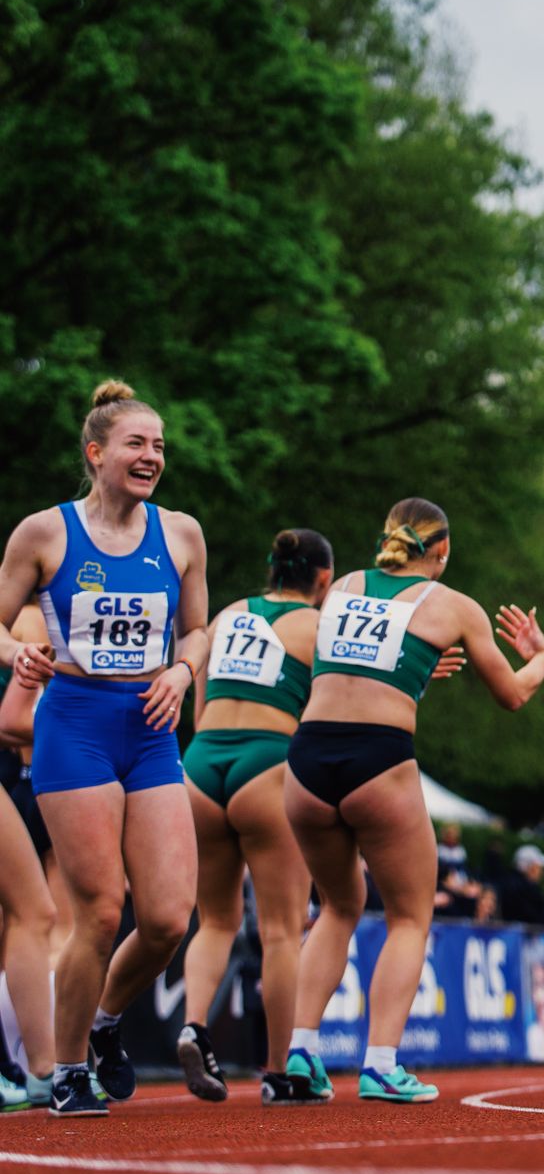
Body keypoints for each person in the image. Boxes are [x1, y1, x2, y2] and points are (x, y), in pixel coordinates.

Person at [176, 530, 464, 1105]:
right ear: (325, 580)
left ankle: (193, 1025)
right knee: (282, 928)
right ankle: (283, 1068)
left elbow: (202, 704)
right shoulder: (319, 624)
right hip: (266, 763)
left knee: (214, 920)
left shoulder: (229, 614)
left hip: (202, 763)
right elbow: (343, 697)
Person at [285, 497, 544, 1104]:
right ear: (443, 551)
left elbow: (347, 669)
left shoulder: (345, 584)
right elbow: (511, 695)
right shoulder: (453, 606)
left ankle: (299, 1051)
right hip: (376, 759)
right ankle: (380, 1064)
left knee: (335, 908)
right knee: (409, 917)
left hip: (308, 758)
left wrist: (414, 673)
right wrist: (539, 656)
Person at [0, 381, 210, 1118]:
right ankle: (62, 1072)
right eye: (136, 444)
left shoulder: (181, 533)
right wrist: (17, 655)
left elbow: (194, 630)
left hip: (150, 725)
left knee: (166, 917)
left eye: (158, 446)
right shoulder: (43, 534)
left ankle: (104, 1020)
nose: (151, 456)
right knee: (97, 909)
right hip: (76, 722)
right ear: (97, 454)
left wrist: (184, 671)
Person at [0, 607, 67, 1110]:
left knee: (33, 913)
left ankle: (38, 1069)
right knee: (38, 914)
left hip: (25, 779)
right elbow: (13, 720)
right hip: (36, 778)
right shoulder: (33, 614)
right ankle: (43, 1070)